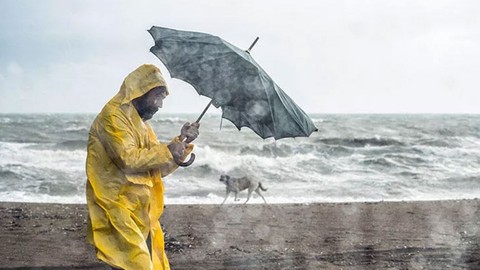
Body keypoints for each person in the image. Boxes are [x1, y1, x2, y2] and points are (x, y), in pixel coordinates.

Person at [85, 64, 199, 270]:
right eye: (158, 97)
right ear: (140, 91)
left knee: (147, 263)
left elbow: (156, 167)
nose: (160, 105)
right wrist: (168, 151)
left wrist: (182, 141)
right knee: (139, 264)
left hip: (139, 208)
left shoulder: (139, 123)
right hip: (115, 204)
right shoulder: (113, 117)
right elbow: (128, 160)